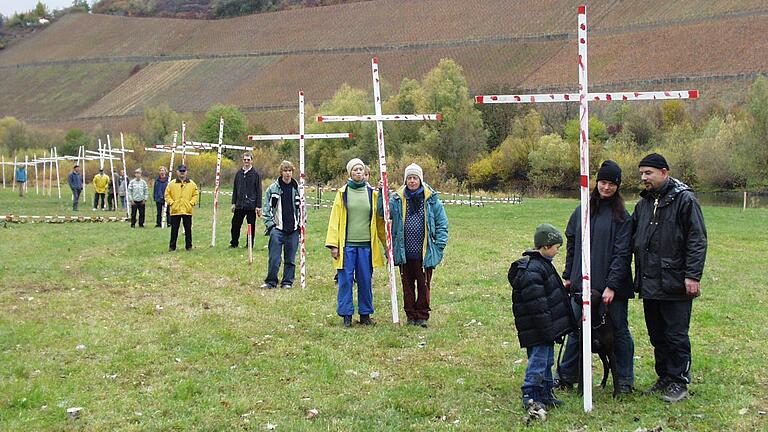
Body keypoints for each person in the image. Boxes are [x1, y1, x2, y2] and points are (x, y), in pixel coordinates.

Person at [632, 153, 707, 403]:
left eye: (649, 173)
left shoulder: (685, 200)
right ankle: (664, 376)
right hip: (649, 281)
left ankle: (679, 381)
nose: (644, 178)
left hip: (675, 281)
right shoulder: (643, 204)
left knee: (676, 334)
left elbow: (697, 239)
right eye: (642, 173)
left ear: (664, 172)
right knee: (657, 334)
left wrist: (692, 275)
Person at [555, 160, 635, 395]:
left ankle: (624, 380)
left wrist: (612, 286)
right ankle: (567, 376)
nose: (606, 187)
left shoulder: (622, 217)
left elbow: (622, 254)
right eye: (603, 182)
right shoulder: (582, 210)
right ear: (596, 182)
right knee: (574, 329)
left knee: (618, 331)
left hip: (611, 289)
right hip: (581, 285)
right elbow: (572, 243)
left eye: (612, 183)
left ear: (618, 187)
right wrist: (569, 275)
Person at [508, 224, 575, 414]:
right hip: (538, 329)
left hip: (545, 328)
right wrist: (547, 329)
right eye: (556, 247)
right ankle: (531, 394)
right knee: (538, 362)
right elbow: (537, 304)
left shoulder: (543, 266)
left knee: (547, 361)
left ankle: (546, 392)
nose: (557, 251)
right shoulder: (533, 270)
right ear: (545, 247)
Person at [378, 163, 448, 328]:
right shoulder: (397, 199)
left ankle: (422, 315)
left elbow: (442, 224)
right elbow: (383, 212)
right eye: (409, 178)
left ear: (420, 179)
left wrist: (439, 247)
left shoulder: (431, 199)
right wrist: (382, 194)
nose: (412, 181)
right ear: (405, 180)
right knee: (407, 287)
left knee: (424, 286)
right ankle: (410, 315)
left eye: (415, 178)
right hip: (404, 253)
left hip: (424, 254)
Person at [325, 158, 386, 327]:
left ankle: (365, 314)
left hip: (366, 246)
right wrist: (333, 245)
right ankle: (346, 316)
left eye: (361, 169)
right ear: (350, 173)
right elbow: (335, 219)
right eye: (355, 170)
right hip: (347, 246)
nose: (358, 172)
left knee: (365, 280)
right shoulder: (342, 193)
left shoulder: (372, 194)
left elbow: (379, 221)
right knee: (345, 281)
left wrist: (386, 245)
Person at [261, 161, 300, 289]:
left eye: (290, 171)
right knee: (274, 259)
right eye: (285, 171)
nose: (288, 173)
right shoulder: (273, 189)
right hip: (277, 229)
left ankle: (287, 282)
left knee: (290, 259)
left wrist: (300, 225)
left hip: (293, 230)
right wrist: (271, 226)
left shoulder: (297, 189)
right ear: (281, 172)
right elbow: (266, 208)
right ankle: (271, 281)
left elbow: (303, 210)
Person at [230, 152, 262, 248]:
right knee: (235, 225)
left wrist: (258, 206)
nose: (246, 161)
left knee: (251, 226)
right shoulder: (239, 174)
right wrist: (233, 203)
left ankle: (249, 245)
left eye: (248, 159)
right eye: (245, 160)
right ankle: (234, 243)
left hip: (251, 206)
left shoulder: (255, 174)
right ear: (242, 160)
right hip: (239, 204)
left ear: (251, 160)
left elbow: (259, 190)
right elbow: (235, 189)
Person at [165, 164, 199, 251]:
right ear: (177, 172)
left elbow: (195, 195)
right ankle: (172, 247)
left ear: (186, 172)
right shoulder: (171, 184)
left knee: (188, 230)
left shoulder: (192, 184)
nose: (182, 173)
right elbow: (167, 195)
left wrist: (191, 203)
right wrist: (172, 203)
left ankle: (189, 246)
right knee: (174, 230)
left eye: (184, 171)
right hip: (175, 210)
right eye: (180, 171)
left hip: (187, 210)